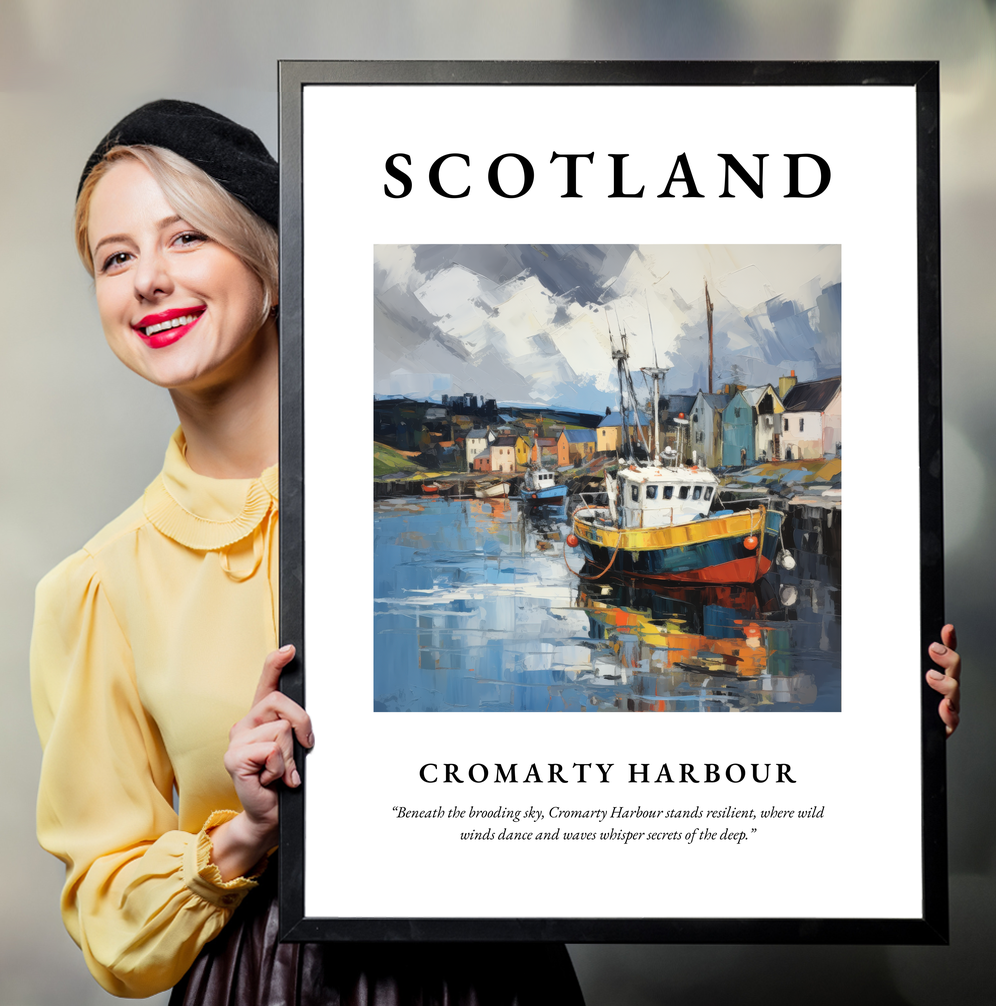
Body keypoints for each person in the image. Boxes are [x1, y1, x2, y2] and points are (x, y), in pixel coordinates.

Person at [30, 100, 585, 1004]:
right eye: (116, 257)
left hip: (493, 973)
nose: (148, 281)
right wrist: (244, 832)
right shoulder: (97, 587)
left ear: (273, 265)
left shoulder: (425, 521)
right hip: (264, 982)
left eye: (185, 239)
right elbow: (110, 923)